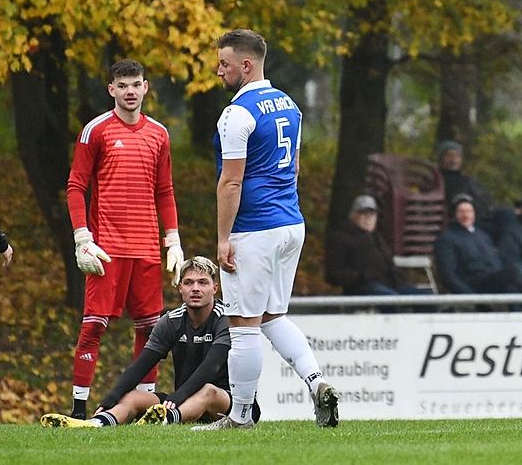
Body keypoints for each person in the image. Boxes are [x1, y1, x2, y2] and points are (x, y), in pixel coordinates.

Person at [200, 29, 337, 430]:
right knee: (274, 315)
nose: (218, 70)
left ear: (246, 64)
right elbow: (293, 168)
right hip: (290, 222)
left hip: (255, 227)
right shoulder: (290, 105)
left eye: (224, 63)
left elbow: (231, 181)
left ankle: (240, 417)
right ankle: (317, 383)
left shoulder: (237, 113)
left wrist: (224, 238)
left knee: (243, 324)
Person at [65, 59, 184, 419]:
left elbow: (164, 190)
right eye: (123, 85)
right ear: (111, 90)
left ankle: (146, 408)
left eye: (136, 84)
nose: (130, 91)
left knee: (151, 331)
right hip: (107, 248)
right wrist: (81, 237)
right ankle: (79, 407)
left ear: (146, 87)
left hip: (147, 248)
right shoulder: (96, 130)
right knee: (94, 326)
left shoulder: (159, 134)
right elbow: (76, 186)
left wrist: (173, 239)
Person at [40, 257, 259, 428]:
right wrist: (110, 399)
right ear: (180, 288)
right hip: (183, 402)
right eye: (189, 283)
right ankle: (96, 423)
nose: (195, 289)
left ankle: (164, 420)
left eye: (203, 283)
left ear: (215, 288)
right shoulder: (171, 321)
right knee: (133, 396)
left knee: (209, 391)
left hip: (227, 403)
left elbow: (211, 366)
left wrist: (177, 398)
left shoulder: (227, 319)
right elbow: (141, 365)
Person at [325, 194, 434, 307]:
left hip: (390, 284)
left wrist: (399, 277)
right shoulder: (341, 237)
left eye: (371, 214)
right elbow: (333, 273)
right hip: (361, 287)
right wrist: (363, 276)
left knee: (428, 299)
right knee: (393, 302)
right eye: (363, 214)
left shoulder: (378, 237)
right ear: (352, 215)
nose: (368, 218)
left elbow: (390, 265)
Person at [434, 193, 522, 298]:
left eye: (469, 211)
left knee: (514, 285)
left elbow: (495, 262)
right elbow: (448, 275)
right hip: (473, 284)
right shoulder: (447, 238)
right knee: (515, 270)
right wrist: (472, 298)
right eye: (461, 212)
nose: (466, 215)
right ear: (454, 214)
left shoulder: (482, 235)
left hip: (493, 280)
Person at [437, 140, 514, 242]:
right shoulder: (438, 179)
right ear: (441, 158)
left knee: (507, 214)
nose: (453, 159)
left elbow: (486, 198)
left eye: (457, 156)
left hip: (485, 214)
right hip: (465, 217)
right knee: (500, 230)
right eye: (449, 155)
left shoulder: (466, 179)